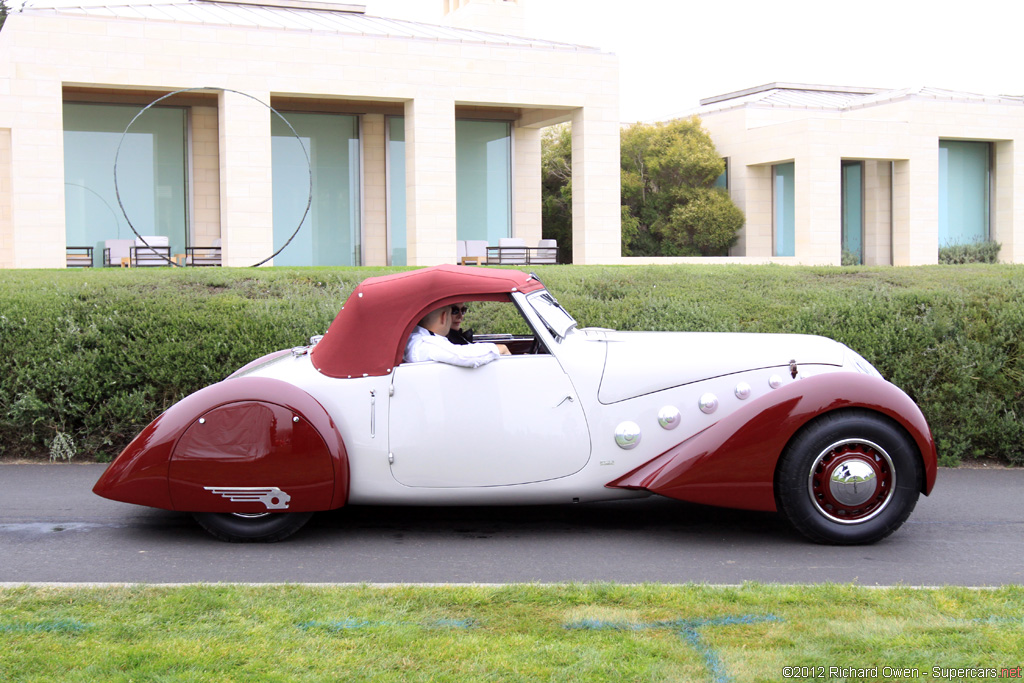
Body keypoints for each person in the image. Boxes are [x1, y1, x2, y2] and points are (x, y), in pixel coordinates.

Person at [404, 305, 510, 368]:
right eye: (453, 312)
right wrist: (499, 349)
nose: (459, 316)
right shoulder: (425, 343)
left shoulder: (416, 338)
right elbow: (465, 356)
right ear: (444, 317)